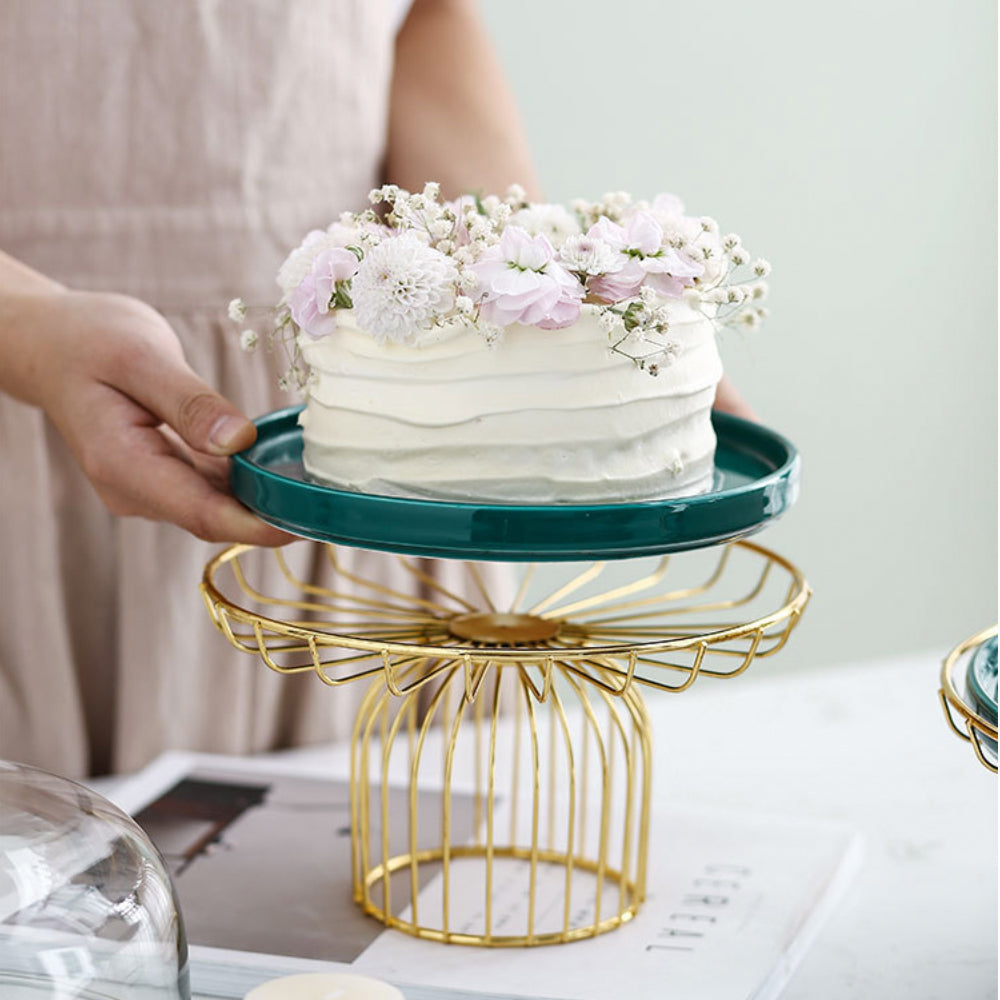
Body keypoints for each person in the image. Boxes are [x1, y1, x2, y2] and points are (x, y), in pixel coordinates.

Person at [0, 0, 753, 779]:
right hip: (31, 402)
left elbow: (422, 14)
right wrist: (25, 326)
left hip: (370, 441)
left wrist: (534, 307)